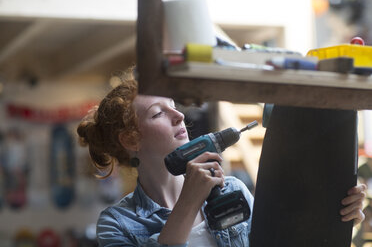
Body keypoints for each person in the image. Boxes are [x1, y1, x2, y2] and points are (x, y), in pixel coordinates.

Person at [77, 69, 366, 247]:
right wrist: (189, 202)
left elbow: (284, 240)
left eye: (174, 106)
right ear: (130, 139)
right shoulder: (116, 223)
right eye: (158, 113)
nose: (179, 116)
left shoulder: (234, 191)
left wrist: (337, 216)